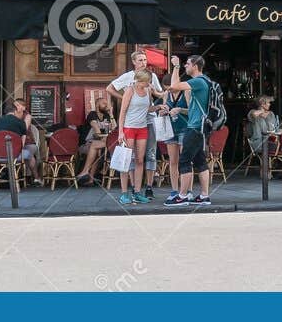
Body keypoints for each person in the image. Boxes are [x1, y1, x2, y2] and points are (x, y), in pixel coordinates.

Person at [109, 50, 162, 199]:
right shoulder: (129, 88)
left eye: (145, 60)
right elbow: (122, 112)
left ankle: (138, 192)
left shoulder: (147, 89)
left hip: (143, 126)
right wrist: (120, 132)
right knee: (127, 159)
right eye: (140, 60)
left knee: (140, 159)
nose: (143, 62)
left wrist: (158, 107)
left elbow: (151, 104)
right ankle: (125, 193)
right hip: (129, 127)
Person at [164, 54, 213, 206]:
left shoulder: (198, 81)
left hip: (194, 127)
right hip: (201, 126)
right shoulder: (206, 81)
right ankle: (204, 196)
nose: (186, 66)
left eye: (187, 64)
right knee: (200, 161)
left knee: (184, 160)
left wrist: (176, 67)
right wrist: (180, 109)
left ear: (195, 66)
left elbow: (173, 86)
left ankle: (183, 196)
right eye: (184, 64)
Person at [77, 96, 116, 184]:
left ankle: (88, 175)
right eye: (104, 104)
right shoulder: (92, 114)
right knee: (96, 148)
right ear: (98, 105)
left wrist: (111, 115)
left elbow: (114, 128)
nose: (106, 106)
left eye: (107, 104)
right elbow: (97, 130)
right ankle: (89, 175)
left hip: (100, 142)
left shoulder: (107, 115)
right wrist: (105, 137)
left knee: (97, 148)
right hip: (86, 144)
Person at [246, 95, 282, 160]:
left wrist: (278, 131)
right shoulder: (252, 112)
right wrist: (262, 112)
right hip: (258, 143)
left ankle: (273, 166)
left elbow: (273, 128)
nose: (270, 104)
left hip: (270, 142)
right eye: (268, 102)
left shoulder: (271, 114)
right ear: (262, 104)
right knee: (274, 145)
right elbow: (254, 114)